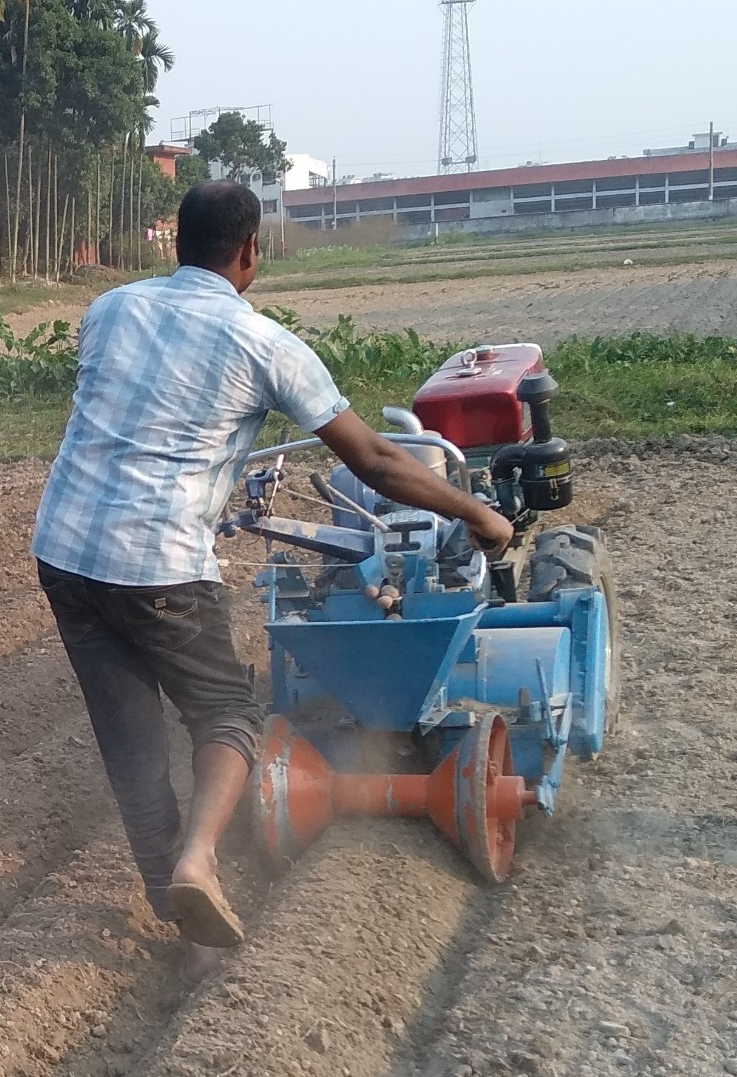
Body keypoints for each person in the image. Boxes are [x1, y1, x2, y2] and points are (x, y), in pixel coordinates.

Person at [32, 181, 514, 981]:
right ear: (251, 252)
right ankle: (197, 859)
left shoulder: (109, 308)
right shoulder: (265, 344)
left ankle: (188, 937)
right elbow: (375, 460)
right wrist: (481, 516)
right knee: (226, 712)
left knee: (133, 750)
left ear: (175, 243)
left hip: (63, 550)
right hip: (158, 561)